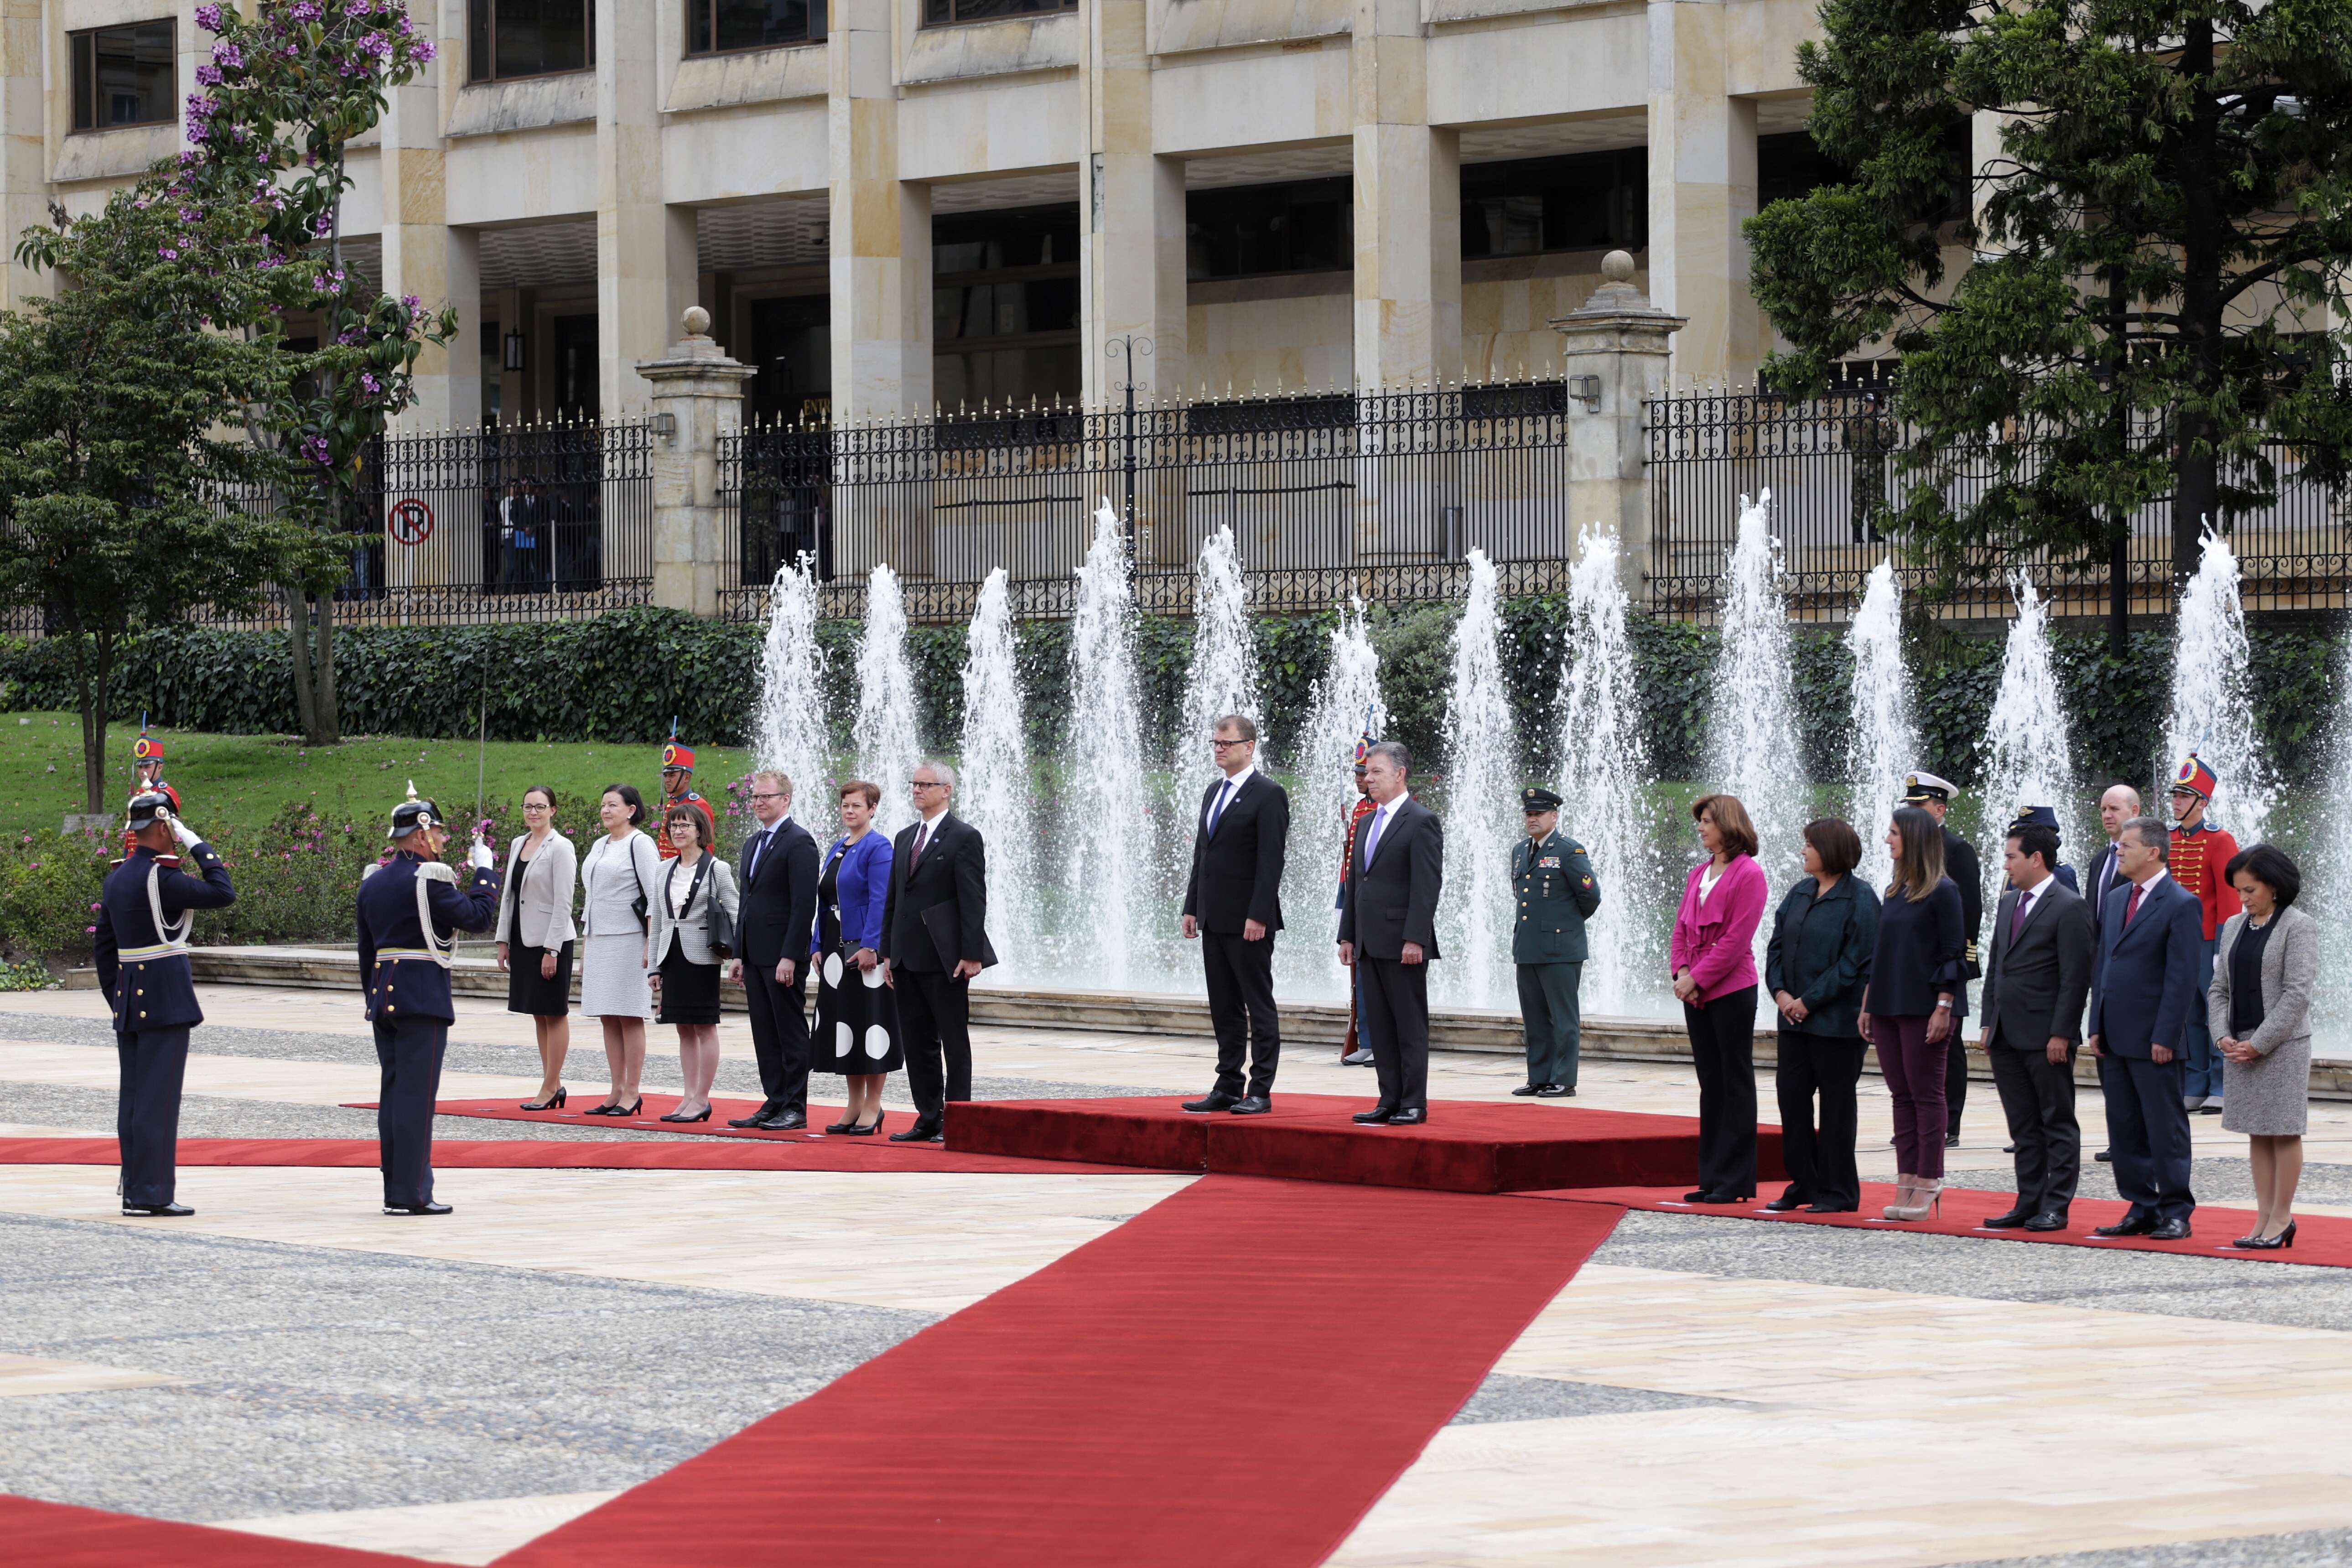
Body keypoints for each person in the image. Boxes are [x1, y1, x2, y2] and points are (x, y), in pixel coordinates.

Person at [354, 786, 501, 1215]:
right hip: (422, 997)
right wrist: (485, 873)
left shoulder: (373, 882)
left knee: (395, 1096)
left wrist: (373, 998)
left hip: (385, 996)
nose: (444, 840)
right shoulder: (430, 880)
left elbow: (367, 951)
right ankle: (411, 1195)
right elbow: (477, 918)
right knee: (416, 1101)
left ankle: (394, 1190)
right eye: (438, 832)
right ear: (421, 836)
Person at [93, 791, 235, 1217]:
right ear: (162, 827)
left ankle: (137, 1188)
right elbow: (222, 891)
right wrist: (197, 844)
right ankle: (151, 1193)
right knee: (159, 1100)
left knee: (135, 1099)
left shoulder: (117, 878)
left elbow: (104, 949)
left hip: (130, 998)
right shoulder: (163, 880)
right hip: (165, 1000)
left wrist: (118, 998)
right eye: (173, 827)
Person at [2084, 815, 2205, 1241]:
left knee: (2164, 1126)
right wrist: (2095, 1022)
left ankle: (2176, 1209)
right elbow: (2104, 964)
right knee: (2124, 1125)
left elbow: (2181, 978)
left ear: (2153, 852)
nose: (2117, 851)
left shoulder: (2180, 903)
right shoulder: (2117, 899)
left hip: (2155, 1038)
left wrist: (2165, 1035)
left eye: (2125, 847)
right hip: (2114, 1034)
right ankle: (2141, 1205)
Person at [1976, 815, 2094, 1231]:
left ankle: (2056, 1205)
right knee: (2022, 1123)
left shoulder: (2068, 906)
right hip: (2007, 1032)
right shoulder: (2009, 901)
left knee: (2056, 1121)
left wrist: (2061, 1032)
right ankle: (2027, 1201)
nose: (2005, 865)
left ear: (2036, 858)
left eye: (2011, 857)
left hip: (2046, 1036)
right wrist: (1988, 1021)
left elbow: (2075, 977)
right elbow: (1996, 967)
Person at [1764, 817, 1878, 1213]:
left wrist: (1808, 1001)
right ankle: (1805, 1183)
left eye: (1809, 845)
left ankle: (1838, 1190)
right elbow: (1775, 947)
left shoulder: (1860, 898)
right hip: (1793, 1022)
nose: (1803, 851)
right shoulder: (1799, 892)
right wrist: (1780, 994)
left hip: (1835, 1025)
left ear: (1829, 850)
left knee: (1836, 1109)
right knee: (1791, 1102)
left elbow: (1854, 963)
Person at [879, 760, 997, 1144]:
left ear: (946, 790)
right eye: (913, 784)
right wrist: (887, 952)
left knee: (952, 1039)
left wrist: (972, 952)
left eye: (925, 785)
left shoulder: (963, 836)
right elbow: (894, 900)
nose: (917, 790)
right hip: (905, 957)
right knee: (917, 1042)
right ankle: (928, 1116)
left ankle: (958, 1119)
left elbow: (973, 899)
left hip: (944, 958)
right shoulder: (904, 837)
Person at [1858, 805, 1966, 1222]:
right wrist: (1869, 1001)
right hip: (1887, 1003)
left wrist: (1944, 1006)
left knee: (1926, 1094)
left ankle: (1929, 1179)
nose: (1887, 840)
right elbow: (1881, 953)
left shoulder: (1943, 891)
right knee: (1900, 1096)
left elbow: (1951, 954)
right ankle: (1906, 1180)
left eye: (1894, 834)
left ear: (1915, 839)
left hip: (1923, 1006)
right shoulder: (1894, 891)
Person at [1180, 713, 1291, 1116]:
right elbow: (1203, 854)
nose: (1219, 749)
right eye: (1215, 743)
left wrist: (1258, 915)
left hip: (1249, 921)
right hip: (1214, 917)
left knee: (1257, 1004)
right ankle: (1228, 1084)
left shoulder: (1268, 794)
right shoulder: (1214, 792)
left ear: (1249, 746)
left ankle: (1260, 1089)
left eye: (1226, 743)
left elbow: (1270, 861)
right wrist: (1192, 906)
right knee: (1223, 1006)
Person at [2209, 845, 2317, 1249]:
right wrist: (2222, 1036)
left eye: (2249, 890)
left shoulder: (2298, 925)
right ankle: (2262, 1217)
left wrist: (2259, 1043)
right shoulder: (2235, 926)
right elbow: (2218, 989)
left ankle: (2282, 1218)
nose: (2243, 899)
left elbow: (2296, 994)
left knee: (2283, 1131)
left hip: (2282, 1047)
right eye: (2238, 891)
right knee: (2257, 1133)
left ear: (2273, 886)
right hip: (2239, 1046)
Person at [1669, 794, 1769, 1202]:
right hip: (1695, 990)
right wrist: (1681, 972)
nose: (1701, 828)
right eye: (1700, 822)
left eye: (1707, 821)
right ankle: (1710, 1177)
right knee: (1710, 1083)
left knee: (1735, 1082)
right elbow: (1679, 930)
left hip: (1730, 989)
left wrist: (1697, 979)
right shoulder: (1698, 873)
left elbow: (1735, 941)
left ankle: (1735, 1181)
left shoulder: (1749, 875)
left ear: (1727, 825)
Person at [1337, 741, 1443, 1126]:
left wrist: (1415, 938)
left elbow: (1426, 886)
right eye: (1366, 772)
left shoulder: (1421, 820)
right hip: (1368, 941)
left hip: (1403, 943)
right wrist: (1347, 935)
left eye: (1376, 772)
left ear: (1399, 774)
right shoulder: (1365, 821)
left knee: (1408, 1024)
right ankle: (1389, 1099)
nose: (1367, 779)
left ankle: (1413, 1101)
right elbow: (1356, 884)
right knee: (1379, 1025)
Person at [727, 769, 820, 1132]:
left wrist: (791, 955)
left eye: (767, 796)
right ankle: (774, 1101)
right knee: (764, 1034)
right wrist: (738, 953)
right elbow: (746, 903)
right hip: (754, 953)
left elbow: (803, 905)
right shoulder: (753, 843)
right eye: (755, 797)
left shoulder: (799, 842)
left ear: (786, 799)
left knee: (790, 1033)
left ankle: (795, 1107)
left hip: (782, 956)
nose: (759, 802)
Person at [811, 780, 899, 1134]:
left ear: (873, 809)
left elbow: (881, 900)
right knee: (844, 1025)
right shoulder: (838, 847)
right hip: (834, 947)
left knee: (870, 1024)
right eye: (845, 805)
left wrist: (872, 946)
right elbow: (823, 899)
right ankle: (854, 1103)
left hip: (862, 948)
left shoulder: (879, 847)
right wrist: (816, 943)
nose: (850, 811)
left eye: (857, 806)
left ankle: (874, 1106)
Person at [648, 802, 741, 1124]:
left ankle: (702, 1098)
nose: (678, 831)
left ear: (700, 831)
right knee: (683, 1028)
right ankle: (688, 1096)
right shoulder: (663, 869)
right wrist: (654, 966)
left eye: (685, 825)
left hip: (702, 955)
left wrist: (739, 955)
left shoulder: (717, 868)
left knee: (704, 1026)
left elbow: (734, 911)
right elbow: (658, 918)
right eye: (674, 826)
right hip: (671, 955)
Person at [1901, 772, 1980, 1146]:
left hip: (1945, 961)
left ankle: (1950, 1122)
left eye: (1920, 807)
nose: (1913, 815)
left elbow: (1971, 912)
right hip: (1914, 962)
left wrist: (1960, 962)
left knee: (1948, 1043)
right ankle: (1919, 1117)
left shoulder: (1957, 849)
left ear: (1939, 810)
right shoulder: (1909, 850)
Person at [578, 784, 662, 1117]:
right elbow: (591, 897)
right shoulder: (600, 844)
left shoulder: (640, 844)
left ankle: (633, 1091)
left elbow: (655, 897)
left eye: (613, 805)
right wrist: (585, 943)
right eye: (603, 805)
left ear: (631, 809)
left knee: (628, 1014)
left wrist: (650, 944)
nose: (605, 810)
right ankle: (615, 1089)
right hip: (600, 937)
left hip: (630, 939)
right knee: (607, 1015)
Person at [1512, 786, 1601, 1098]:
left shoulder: (1568, 851)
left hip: (1560, 948)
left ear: (1554, 815)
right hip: (1528, 946)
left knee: (1563, 1019)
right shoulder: (1521, 850)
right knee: (1535, 1018)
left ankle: (1563, 1079)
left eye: (1538, 814)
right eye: (1528, 814)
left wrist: (1562, 926)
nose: (1532, 819)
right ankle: (1539, 1077)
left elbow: (1590, 896)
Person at [2166, 753, 2242, 1116]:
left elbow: (2229, 899)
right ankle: (2195, 1081)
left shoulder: (2219, 840)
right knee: (2186, 1015)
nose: (2176, 802)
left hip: (2208, 941)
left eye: (2184, 796)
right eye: (2175, 795)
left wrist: (2223, 946)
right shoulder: (2166, 839)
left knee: (2215, 1013)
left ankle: (2220, 1083)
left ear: (2202, 801)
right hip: (2175, 941)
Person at [494, 785, 577, 1111]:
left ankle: (549, 1085)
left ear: (553, 810)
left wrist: (552, 949)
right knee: (538, 1014)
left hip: (550, 941)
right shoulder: (518, 843)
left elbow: (564, 901)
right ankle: (553, 1083)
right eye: (528, 806)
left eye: (540, 807)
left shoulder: (561, 847)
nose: (533, 812)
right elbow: (509, 896)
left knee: (554, 1012)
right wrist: (503, 940)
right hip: (522, 938)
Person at [2085, 784, 2140, 1164]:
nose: (2107, 815)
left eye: (2115, 808)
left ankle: (2137, 1138)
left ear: (2135, 811)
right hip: (2100, 970)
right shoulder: (2098, 861)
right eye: (2103, 808)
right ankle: (2117, 1136)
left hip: (2133, 975)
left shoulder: (2147, 861)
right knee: (2106, 1056)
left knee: (2131, 1057)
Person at [1339, 724, 1380, 1067]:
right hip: (1354, 896)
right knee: (1359, 973)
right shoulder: (1358, 809)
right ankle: (1366, 1037)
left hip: (1382, 905)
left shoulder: (1400, 810)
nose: (1359, 779)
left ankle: (1378, 1039)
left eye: (1365, 772)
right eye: (1357, 773)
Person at [119, 721, 183, 862]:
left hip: (157, 859)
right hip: (134, 858)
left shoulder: (166, 794)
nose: (142, 772)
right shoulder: (139, 793)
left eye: (147, 767)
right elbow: (131, 834)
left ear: (160, 767)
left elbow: (167, 833)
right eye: (140, 768)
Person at [654, 728, 717, 862]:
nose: (667, 780)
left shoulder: (698, 805)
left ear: (687, 778)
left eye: (672, 775)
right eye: (666, 775)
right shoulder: (672, 803)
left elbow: (707, 846)